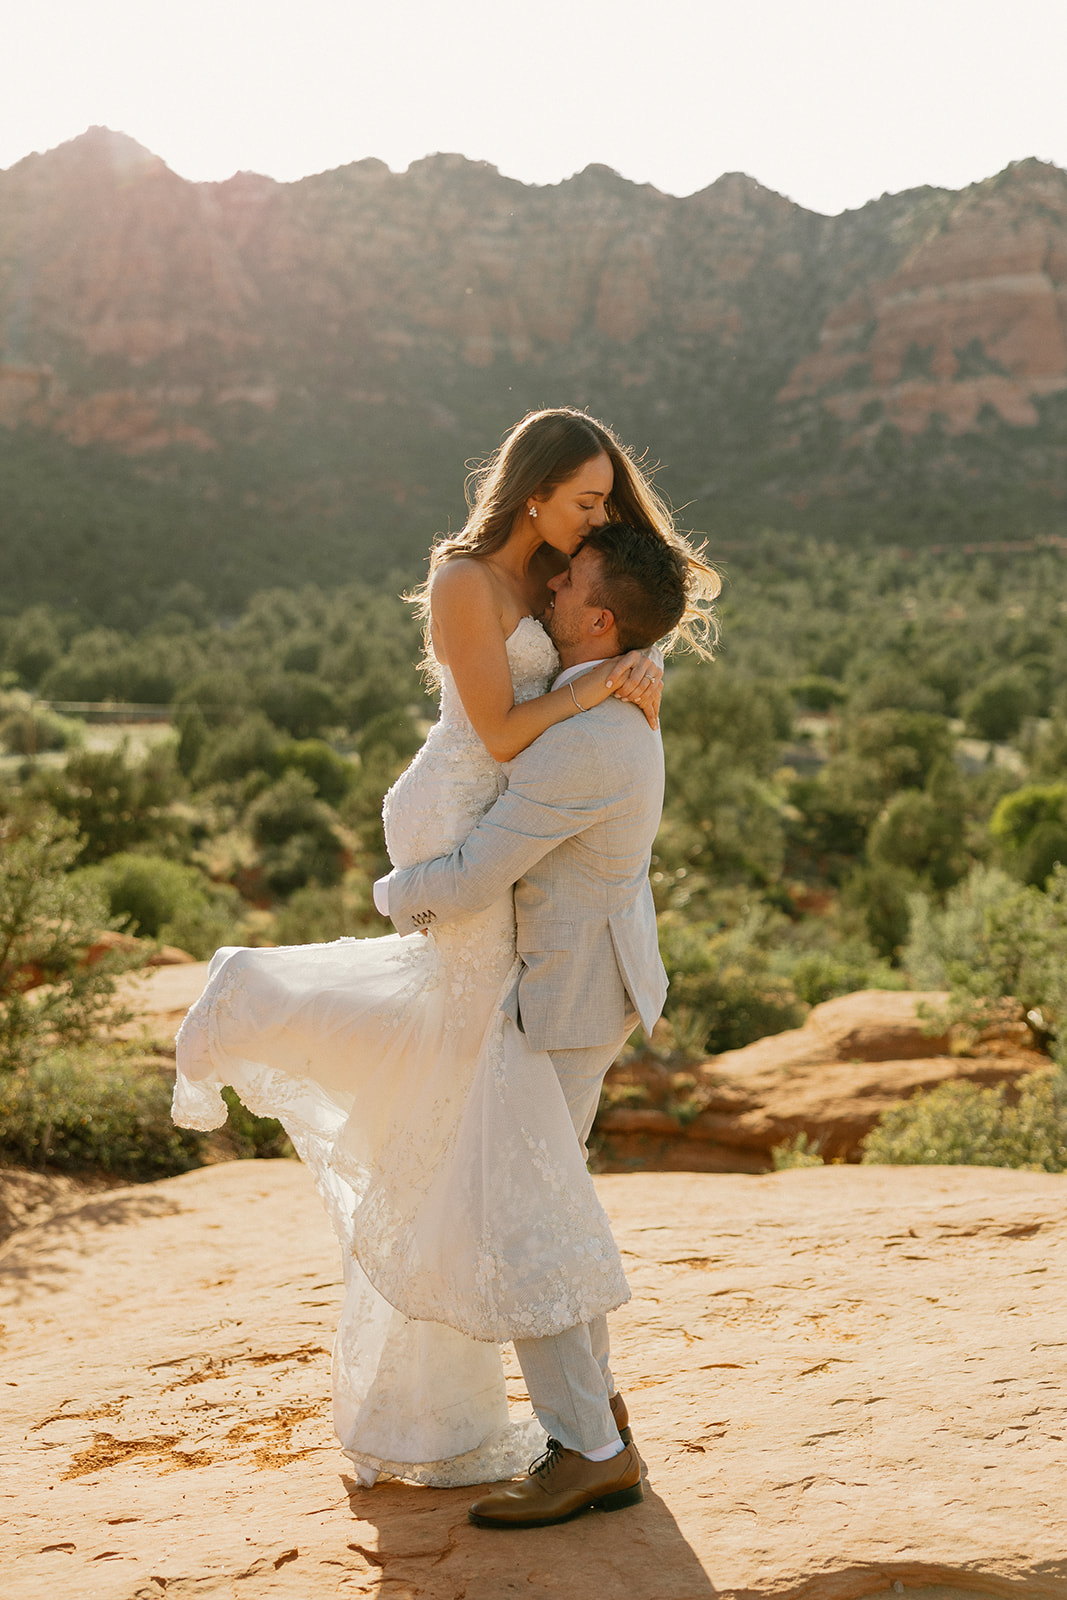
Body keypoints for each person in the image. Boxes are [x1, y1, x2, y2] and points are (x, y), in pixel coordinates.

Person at [171, 407, 717, 1499]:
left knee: (516, 1184)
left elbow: (618, 618)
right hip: (476, 837)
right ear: (534, 494)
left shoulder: (589, 611)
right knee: (516, 1174)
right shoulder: (482, 586)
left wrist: (627, 666)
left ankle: (588, 1440)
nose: (596, 520)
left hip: (520, 904)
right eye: (585, 500)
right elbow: (508, 728)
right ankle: (588, 1431)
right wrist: (602, 679)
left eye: (604, 509)